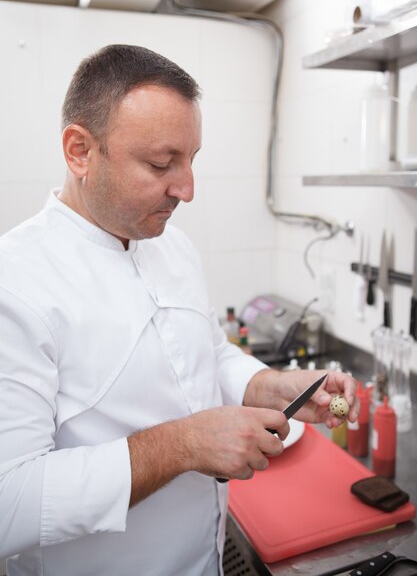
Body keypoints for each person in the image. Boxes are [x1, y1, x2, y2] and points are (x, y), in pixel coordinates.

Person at [0, 44, 359, 576]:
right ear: (80, 151)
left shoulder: (172, 245)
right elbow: (10, 503)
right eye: (161, 163)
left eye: (191, 160)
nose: (186, 189)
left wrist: (267, 384)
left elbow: (207, 354)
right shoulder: (16, 281)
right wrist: (182, 445)